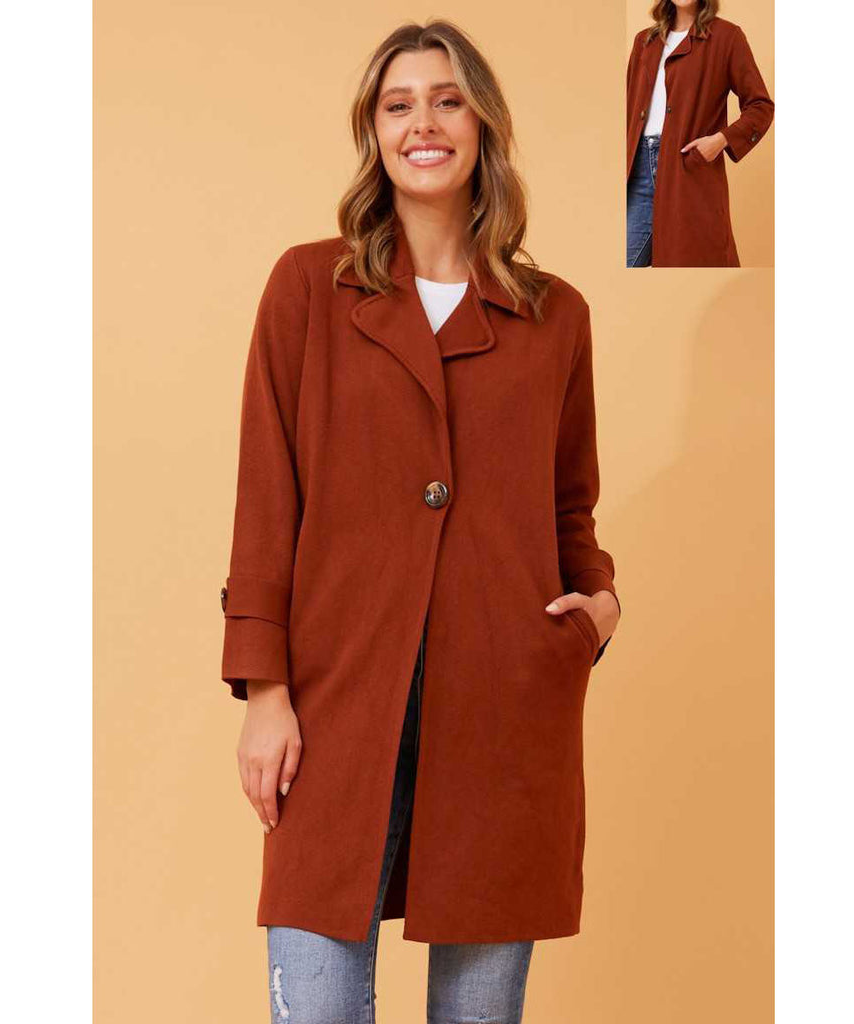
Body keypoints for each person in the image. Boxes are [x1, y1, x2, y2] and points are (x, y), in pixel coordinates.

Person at [219, 19, 621, 1023]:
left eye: (447, 101)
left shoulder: (555, 316)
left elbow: (568, 502)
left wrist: (597, 608)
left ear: (483, 126)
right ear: (374, 131)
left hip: (500, 710)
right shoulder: (309, 289)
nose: (423, 123)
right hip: (337, 701)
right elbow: (267, 498)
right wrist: (265, 690)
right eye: (398, 105)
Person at [625, 0, 774, 267]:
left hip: (687, 170)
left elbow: (760, 106)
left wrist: (721, 140)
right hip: (638, 170)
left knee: (687, 264)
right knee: (627, 260)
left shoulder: (727, 38)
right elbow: (628, 108)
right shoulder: (644, 41)